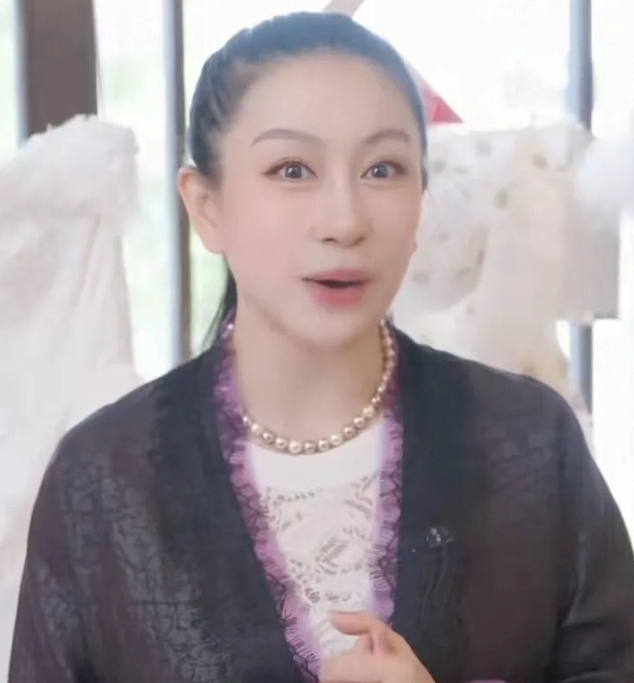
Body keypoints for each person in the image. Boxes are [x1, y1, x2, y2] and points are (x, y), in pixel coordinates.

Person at [8, 11, 634, 683]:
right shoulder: (103, 478)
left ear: (421, 195)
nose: (345, 220)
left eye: (383, 169)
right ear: (206, 205)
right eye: (292, 169)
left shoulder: (531, 443)